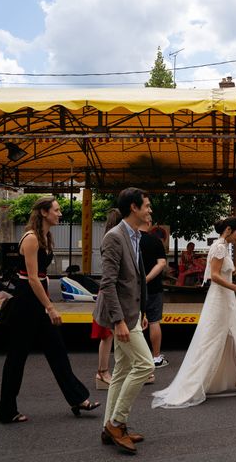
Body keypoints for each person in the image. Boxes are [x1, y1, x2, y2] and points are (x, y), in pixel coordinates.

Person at [0, 196, 99, 424]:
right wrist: (50, 308)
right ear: (44, 212)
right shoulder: (31, 238)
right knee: (17, 357)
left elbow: (40, 278)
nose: (60, 213)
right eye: (56, 209)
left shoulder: (45, 236)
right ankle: (6, 410)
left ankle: (78, 399)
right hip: (26, 302)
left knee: (57, 351)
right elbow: (33, 279)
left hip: (36, 300)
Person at [151, 217, 236, 409]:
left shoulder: (221, 246)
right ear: (228, 230)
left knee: (233, 336)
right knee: (219, 338)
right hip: (222, 299)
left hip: (225, 299)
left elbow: (223, 273)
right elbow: (214, 276)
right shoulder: (220, 247)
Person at [94, 187, 154, 455]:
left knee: (120, 371)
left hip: (131, 311)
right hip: (120, 315)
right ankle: (117, 423)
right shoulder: (114, 237)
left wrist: (141, 310)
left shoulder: (136, 235)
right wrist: (118, 321)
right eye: (147, 206)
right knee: (144, 365)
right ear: (134, 208)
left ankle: (110, 427)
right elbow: (107, 284)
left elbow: (135, 279)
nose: (150, 210)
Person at [92, 208, 122, 390]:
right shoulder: (113, 240)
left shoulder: (108, 238)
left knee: (109, 336)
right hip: (110, 295)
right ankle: (102, 372)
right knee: (107, 335)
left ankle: (104, 372)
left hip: (108, 294)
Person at [139, 220, 168, 377]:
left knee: (134, 323)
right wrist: (148, 279)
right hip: (154, 288)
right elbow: (162, 263)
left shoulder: (131, 239)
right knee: (154, 321)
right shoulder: (155, 241)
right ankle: (156, 357)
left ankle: (136, 359)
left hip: (134, 289)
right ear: (148, 223)